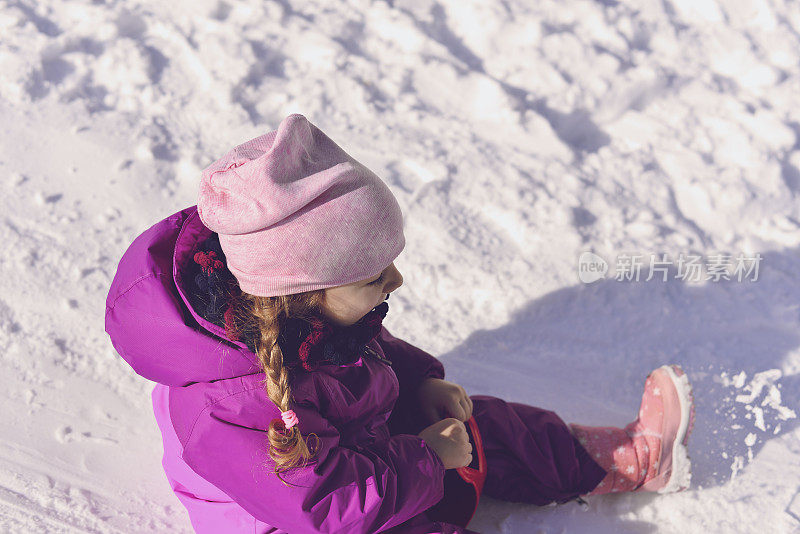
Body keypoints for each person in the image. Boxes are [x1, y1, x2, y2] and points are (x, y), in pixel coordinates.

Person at [104, 114, 696, 533]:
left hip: (367, 453)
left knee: (478, 421)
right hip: (302, 520)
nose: (396, 283)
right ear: (301, 292)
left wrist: (417, 384)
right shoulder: (235, 405)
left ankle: (623, 460)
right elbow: (325, 507)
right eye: (373, 278)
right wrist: (425, 459)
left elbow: (367, 345)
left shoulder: (308, 318)